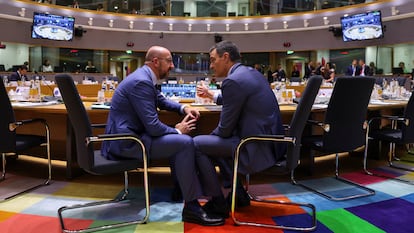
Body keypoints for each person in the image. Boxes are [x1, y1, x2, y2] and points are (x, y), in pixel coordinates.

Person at [101, 46, 224, 226]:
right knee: (184, 142)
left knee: (179, 143)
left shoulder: (143, 77)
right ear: (156, 62)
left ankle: (181, 190)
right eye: (169, 61)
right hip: (128, 143)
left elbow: (161, 100)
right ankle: (192, 207)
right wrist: (178, 130)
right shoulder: (141, 81)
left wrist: (184, 108)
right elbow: (153, 127)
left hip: (131, 138)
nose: (173, 66)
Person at [193, 41, 286, 218]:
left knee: (198, 144)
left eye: (213, 60)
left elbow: (224, 130)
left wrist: (209, 142)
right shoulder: (251, 73)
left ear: (225, 57)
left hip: (256, 147)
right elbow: (236, 99)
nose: (211, 65)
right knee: (214, 145)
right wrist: (213, 96)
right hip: (272, 143)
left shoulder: (233, 81)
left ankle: (218, 201)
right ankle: (238, 194)